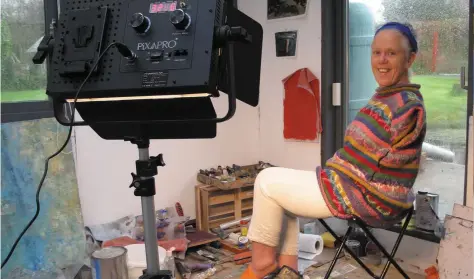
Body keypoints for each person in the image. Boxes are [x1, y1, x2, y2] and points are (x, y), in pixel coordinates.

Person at [241, 22, 427, 279]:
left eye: (392, 53)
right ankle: (288, 271)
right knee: (280, 200)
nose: (381, 60)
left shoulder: (405, 105)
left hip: (369, 198)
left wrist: (335, 172)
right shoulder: (388, 97)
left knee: (265, 181)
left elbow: (376, 165)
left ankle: (262, 264)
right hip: (354, 187)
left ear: (410, 58)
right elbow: (367, 157)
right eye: (376, 52)